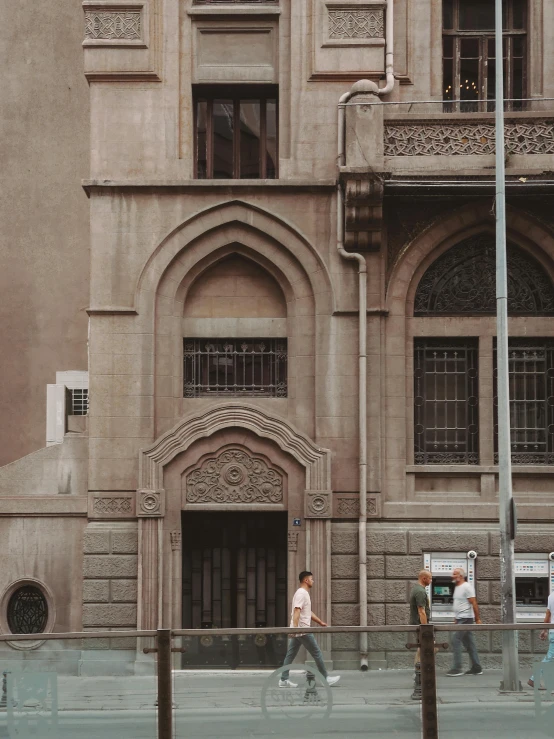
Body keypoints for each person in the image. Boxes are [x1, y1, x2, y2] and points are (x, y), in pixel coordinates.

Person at [279, 571, 340, 687]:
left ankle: (283, 679)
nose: (313, 581)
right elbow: (297, 610)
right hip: (302, 630)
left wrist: (320, 621)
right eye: (311, 579)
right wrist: (295, 629)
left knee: (291, 654)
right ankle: (325, 678)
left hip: (299, 629)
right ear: (306, 580)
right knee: (317, 653)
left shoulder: (303, 593)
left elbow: (307, 612)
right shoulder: (302, 593)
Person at [447, 567, 483, 676]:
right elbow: (459, 603)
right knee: (469, 643)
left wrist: (477, 619)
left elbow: (474, 603)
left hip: (466, 618)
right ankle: (476, 667)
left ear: (461, 576)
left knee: (455, 639)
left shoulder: (467, 587)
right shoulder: (457, 587)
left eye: (455, 574)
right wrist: (455, 618)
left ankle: (457, 668)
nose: (452, 576)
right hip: (460, 619)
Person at [528, 588, 554, 688]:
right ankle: (533, 679)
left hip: (552, 631)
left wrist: (545, 630)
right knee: (549, 657)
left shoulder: (551, 596)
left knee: (550, 657)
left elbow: (548, 615)